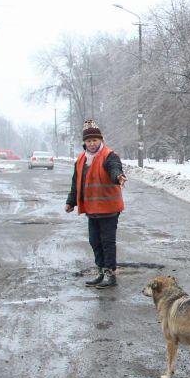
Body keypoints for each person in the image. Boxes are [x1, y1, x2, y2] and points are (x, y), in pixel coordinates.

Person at [65, 120, 127, 288]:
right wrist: (71, 202)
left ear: (101, 140)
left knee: (107, 242)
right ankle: (100, 272)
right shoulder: (81, 159)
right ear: (84, 142)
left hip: (109, 209)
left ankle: (110, 275)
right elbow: (76, 182)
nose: (92, 143)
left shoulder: (109, 155)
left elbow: (114, 168)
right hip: (92, 210)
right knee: (94, 241)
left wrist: (118, 177)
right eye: (89, 140)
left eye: (95, 140)